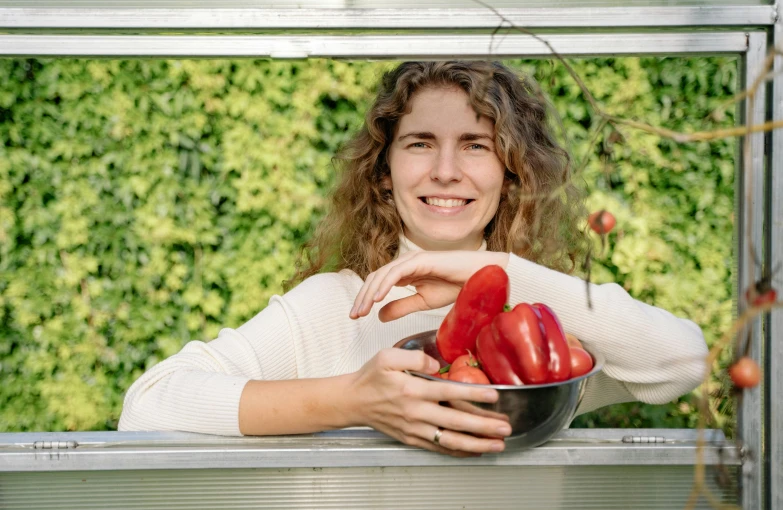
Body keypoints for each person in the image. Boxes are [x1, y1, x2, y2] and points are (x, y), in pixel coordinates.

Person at [118, 60, 708, 457]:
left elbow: (685, 361)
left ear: (512, 174)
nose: (445, 170)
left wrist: (496, 277)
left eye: (475, 145)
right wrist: (351, 399)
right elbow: (146, 407)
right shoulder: (333, 307)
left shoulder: (542, 315)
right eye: (420, 143)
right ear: (383, 174)